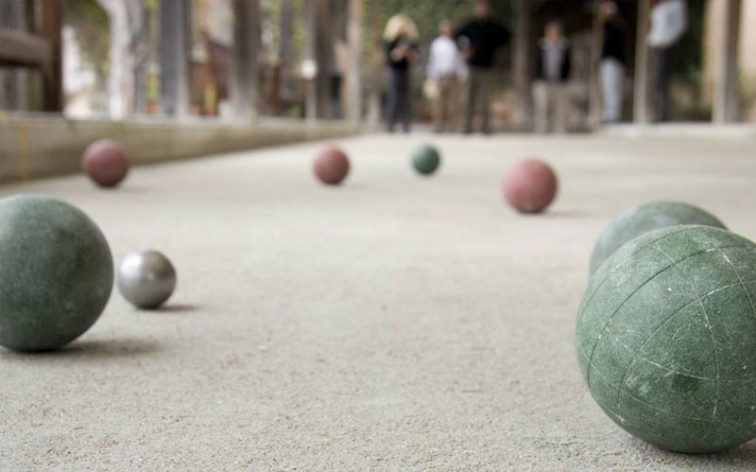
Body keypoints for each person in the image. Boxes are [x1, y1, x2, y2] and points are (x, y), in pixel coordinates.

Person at [457, 1, 508, 135]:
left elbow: (506, 36)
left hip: (487, 67)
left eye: (484, 8)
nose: (482, 11)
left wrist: (494, 49)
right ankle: (467, 127)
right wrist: (464, 50)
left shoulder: (493, 26)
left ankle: (485, 127)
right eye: (480, 8)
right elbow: (458, 37)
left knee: (485, 99)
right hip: (472, 67)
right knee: (469, 98)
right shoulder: (470, 25)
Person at [648, 0, 687, 122]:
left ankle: (663, 114)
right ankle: (654, 112)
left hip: (666, 46)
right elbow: (656, 27)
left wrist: (667, 41)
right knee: (655, 81)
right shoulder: (657, 6)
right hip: (655, 46)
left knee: (663, 81)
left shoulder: (676, 4)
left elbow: (680, 26)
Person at [426, 20, 467, 133]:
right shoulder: (437, 44)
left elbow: (460, 61)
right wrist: (431, 76)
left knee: (454, 103)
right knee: (439, 103)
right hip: (441, 76)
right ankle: (438, 125)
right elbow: (433, 61)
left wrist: (463, 74)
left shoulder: (458, 43)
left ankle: (453, 126)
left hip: (454, 76)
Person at [533, 20, 571, 133]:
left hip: (559, 81)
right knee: (542, 106)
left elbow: (568, 63)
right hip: (543, 81)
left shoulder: (564, 46)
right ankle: (542, 127)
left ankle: (560, 127)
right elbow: (536, 63)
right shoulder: (541, 45)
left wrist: (565, 77)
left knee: (560, 106)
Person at [384, 15, 419, 133]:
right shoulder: (391, 41)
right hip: (394, 71)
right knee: (393, 97)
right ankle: (390, 125)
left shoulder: (410, 41)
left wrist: (409, 54)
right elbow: (389, 57)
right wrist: (398, 53)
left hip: (405, 70)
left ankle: (406, 125)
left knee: (405, 99)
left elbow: (415, 58)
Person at [600, 1, 626, 123]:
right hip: (605, 62)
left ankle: (613, 115)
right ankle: (608, 115)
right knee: (607, 89)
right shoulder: (601, 29)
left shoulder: (616, 28)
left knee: (614, 89)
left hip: (614, 62)